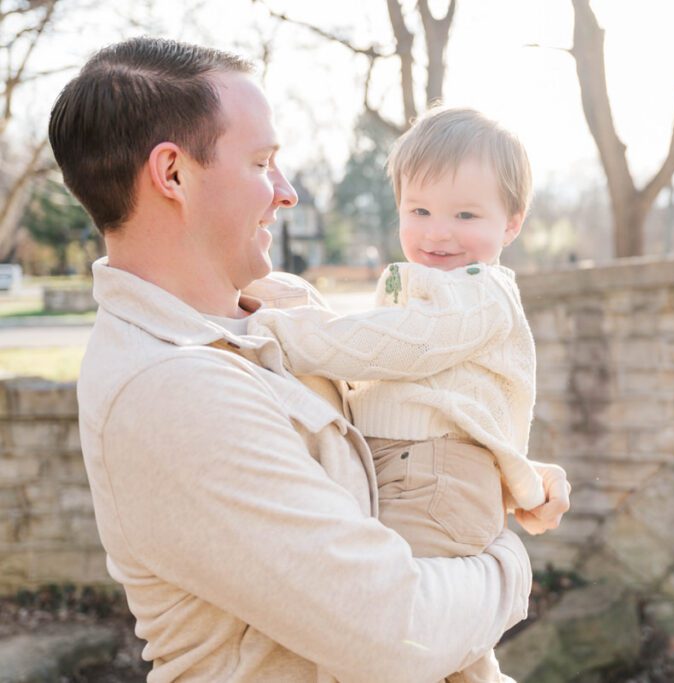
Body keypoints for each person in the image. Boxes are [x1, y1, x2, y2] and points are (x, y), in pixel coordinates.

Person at [49, 37, 569, 681]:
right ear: (173, 174)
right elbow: (396, 633)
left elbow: (387, 421)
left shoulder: (280, 306)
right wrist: (509, 562)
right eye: (262, 163)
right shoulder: (168, 389)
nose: (287, 192)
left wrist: (490, 454)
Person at [248, 107, 553, 682]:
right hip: (410, 470)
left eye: (465, 214)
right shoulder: (422, 282)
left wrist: (287, 335)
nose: (438, 231)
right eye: (419, 210)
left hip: (436, 475)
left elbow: (402, 347)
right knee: (451, 652)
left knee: (398, 632)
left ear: (511, 224)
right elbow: (384, 357)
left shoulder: (481, 293)